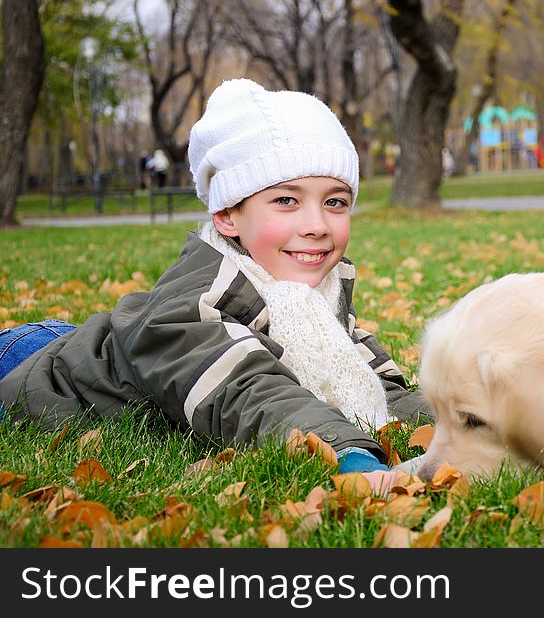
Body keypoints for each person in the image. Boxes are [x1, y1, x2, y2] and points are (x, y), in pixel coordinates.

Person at [0, 78, 433, 474]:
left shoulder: (319, 295)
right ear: (227, 215)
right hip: (30, 365)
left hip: (82, 339)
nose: (317, 224)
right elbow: (246, 392)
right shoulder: (190, 307)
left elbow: (380, 388)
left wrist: (463, 420)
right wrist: (346, 452)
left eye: (335, 202)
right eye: (286, 200)